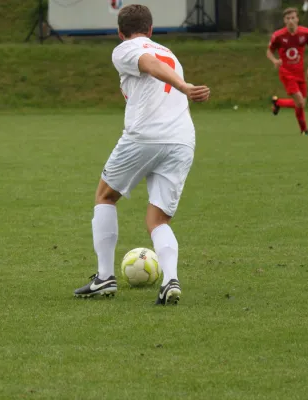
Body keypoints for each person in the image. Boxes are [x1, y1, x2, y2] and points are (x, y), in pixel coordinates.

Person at [73, 4, 210, 305]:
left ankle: (104, 277)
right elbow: (156, 64)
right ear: (151, 29)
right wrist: (183, 84)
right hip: (182, 139)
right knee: (158, 220)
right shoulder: (170, 53)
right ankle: (170, 279)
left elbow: (147, 63)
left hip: (146, 135)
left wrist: (184, 86)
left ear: (120, 33)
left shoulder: (125, 49)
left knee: (105, 196)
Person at [268, 7, 308, 136]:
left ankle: (277, 103)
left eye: (293, 18)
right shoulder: (278, 35)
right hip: (286, 73)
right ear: (284, 21)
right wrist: (274, 60)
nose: (290, 21)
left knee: (301, 104)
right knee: (300, 102)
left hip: (300, 73)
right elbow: (269, 51)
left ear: (297, 19)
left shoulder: (305, 33)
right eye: (288, 18)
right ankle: (304, 130)